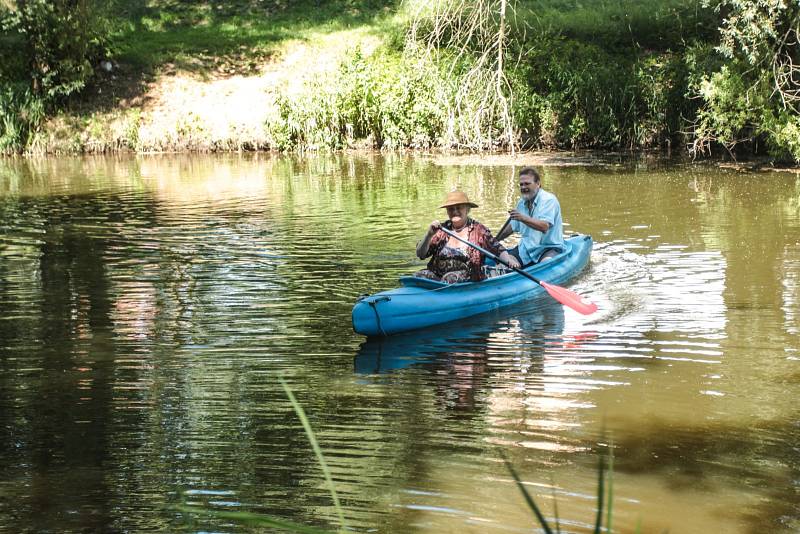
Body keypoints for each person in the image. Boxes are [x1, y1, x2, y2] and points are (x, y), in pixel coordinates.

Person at [416, 190, 520, 283]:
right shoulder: (441, 230)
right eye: (451, 209)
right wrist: (429, 235)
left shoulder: (478, 230)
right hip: (438, 277)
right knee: (419, 275)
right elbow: (420, 254)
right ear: (447, 211)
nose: (455, 211)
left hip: (467, 277)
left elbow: (497, 249)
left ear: (467, 209)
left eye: (459, 207)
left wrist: (509, 260)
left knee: (450, 278)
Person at [496, 167, 565, 266]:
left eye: (527, 184)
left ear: (538, 184)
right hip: (526, 249)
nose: (523, 187)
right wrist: (494, 240)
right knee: (505, 262)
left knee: (544, 266)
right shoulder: (521, 203)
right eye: (521, 184)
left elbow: (544, 226)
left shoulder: (549, 200)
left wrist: (522, 218)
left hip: (548, 248)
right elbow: (512, 227)